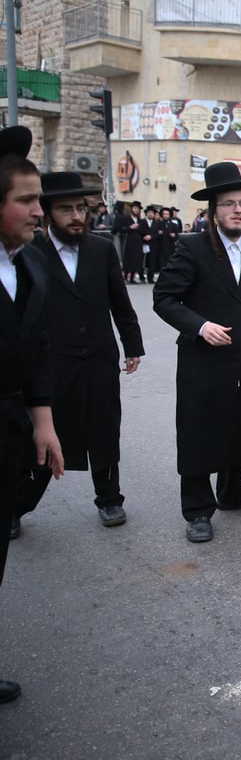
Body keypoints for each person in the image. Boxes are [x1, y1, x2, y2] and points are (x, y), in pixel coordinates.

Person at [11, 171, 143, 538]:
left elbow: (120, 299)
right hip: (53, 362)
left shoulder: (101, 250)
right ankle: (17, 506)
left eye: (81, 208)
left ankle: (109, 498)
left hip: (99, 357)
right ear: (48, 212)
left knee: (104, 430)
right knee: (44, 437)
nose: (76, 216)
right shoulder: (29, 253)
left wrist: (132, 345)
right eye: (66, 209)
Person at [152, 162, 241, 543]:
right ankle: (197, 509)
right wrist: (201, 326)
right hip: (202, 360)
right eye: (227, 204)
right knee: (199, 429)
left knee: (240, 422)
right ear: (213, 211)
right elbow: (164, 298)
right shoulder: (192, 248)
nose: (237, 209)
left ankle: (232, 490)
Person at [0, 125, 65, 704]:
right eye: (25, 200)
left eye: (37, 199)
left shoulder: (30, 267)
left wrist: (43, 423)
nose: (37, 211)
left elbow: (38, 351)